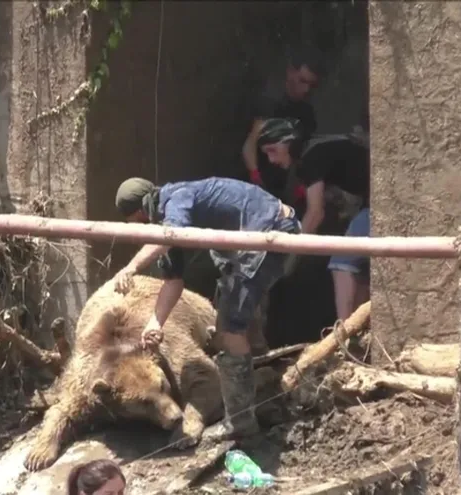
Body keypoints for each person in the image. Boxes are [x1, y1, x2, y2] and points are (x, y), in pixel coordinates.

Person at [111, 176, 299, 443]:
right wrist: (155, 323)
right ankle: (248, 396)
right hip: (245, 242)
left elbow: (169, 235)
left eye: (138, 225)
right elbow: (173, 281)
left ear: (141, 213)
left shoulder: (176, 200)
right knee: (228, 319)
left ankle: (241, 421)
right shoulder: (167, 227)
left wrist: (131, 267)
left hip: (270, 229)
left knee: (231, 330)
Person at [258, 117, 370, 321]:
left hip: (376, 205)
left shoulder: (310, 157)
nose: (271, 160)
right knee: (361, 271)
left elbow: (315, 213)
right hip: (373, 202)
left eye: (272, 150)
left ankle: (345, 335)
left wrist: (289, 259)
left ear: (289, 142)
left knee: (342, 263)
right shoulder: (318, 147)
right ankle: (361, 331)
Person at [242, 50, 323, 200]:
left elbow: (301, 156)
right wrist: (256, 179)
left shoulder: (307, 113)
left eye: (311, 85)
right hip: (254, 184)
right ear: (290, 72)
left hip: (282, 187)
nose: (306, 89)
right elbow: (250, 146)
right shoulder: (271, 101)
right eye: (302, 81)